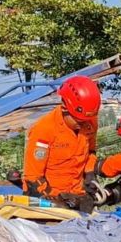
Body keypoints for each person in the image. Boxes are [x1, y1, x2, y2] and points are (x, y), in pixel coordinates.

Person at [22, 75, 101, 211]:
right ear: (64, 107)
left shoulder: (90, 122)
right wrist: (52, 199)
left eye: (86, 121)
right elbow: (33, 177)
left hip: (77, 197)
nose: (82, 125)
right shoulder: (44, 129)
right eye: (78, 120)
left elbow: (91, 152)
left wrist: (89, 174)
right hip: (47, 199)